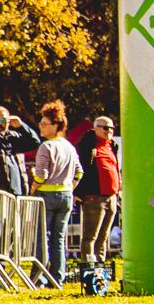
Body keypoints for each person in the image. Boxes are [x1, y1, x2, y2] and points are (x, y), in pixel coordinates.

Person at [30, 101, 82, 282]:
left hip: (46, 195)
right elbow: (79, 172)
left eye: (45, 124)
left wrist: (33, 187)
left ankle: (39, 278)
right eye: (41, 123)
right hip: (66, 195)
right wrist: (69, 186)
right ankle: (57, 277)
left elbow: (41, 174)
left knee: (41, 238)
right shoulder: (69, 147)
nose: (41, 127)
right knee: (59, 239)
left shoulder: (46, 146)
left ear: (56, 126)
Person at [84, 117, 123, 264]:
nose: (109, 131)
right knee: (91, 236)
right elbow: (83, 167)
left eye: (112, 128)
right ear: (96, 128)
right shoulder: (89, 145)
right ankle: (88, 267)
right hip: (95, 197)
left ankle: (99, 267)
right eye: (106, 128)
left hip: (111, 197)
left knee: (103, 236)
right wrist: (81, 193)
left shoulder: (112, 146)